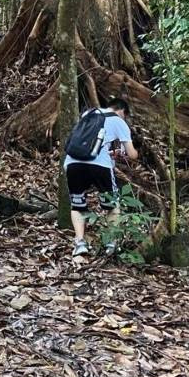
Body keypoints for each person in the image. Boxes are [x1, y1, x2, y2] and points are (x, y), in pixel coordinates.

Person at [64, 98, 138, 257]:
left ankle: (80, 243)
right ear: (121, 111)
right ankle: (110, 243)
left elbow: (88, 143)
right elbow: (132, 154)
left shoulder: (88, 113)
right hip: (100, 166)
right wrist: (129, 153)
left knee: (77, 204)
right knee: (112, 205)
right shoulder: (118, 121)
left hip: (73, 163)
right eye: (125, 115)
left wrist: (110, 152)